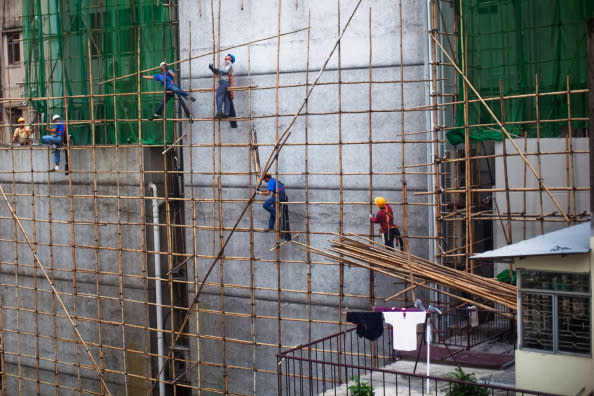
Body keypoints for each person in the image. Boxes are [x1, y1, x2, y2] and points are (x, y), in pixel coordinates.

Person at [208, 54, 235, 118]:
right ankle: (226, 113)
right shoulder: (225, 64)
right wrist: (213, 69)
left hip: (224, 82)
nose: (226, 56)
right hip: (225, 82)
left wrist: (216, 69)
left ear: (230, 58)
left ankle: (219, 112)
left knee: (219, 96)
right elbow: (218, 73)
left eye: (228, 55)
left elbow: (225, 71)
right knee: (226, 98)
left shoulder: (228, 63)